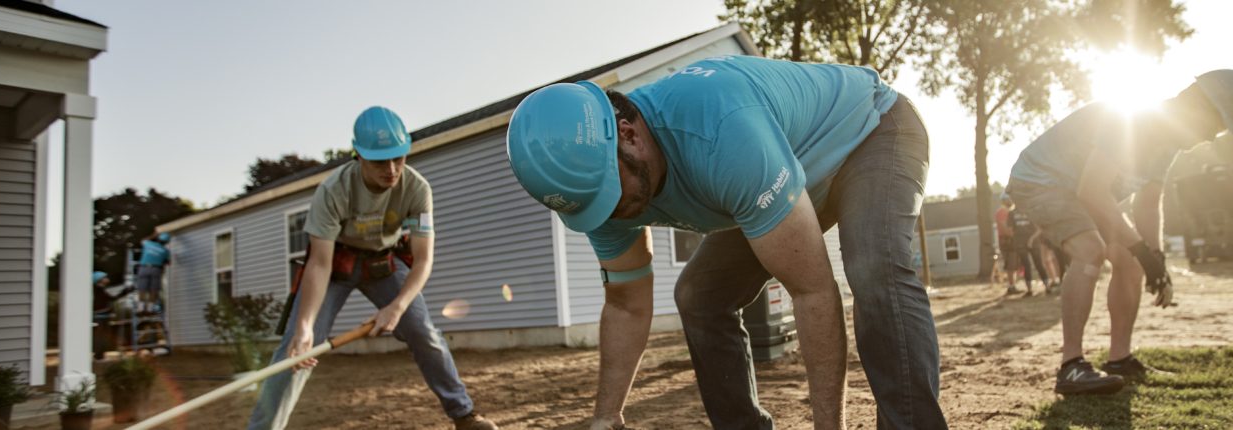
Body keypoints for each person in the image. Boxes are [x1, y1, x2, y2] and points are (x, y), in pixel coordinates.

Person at [507, 55, 946, 428]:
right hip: (784, 174)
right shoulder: (599, 190)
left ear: (628, 134)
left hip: (871, 131)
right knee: (699, 295)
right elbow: (626, 304)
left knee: (874, 267)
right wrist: (606, 418)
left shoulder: (719, 133)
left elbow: (811, 292)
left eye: (609, 192)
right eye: (591, 206)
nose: (609, 214)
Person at [1006, 69, 1233, 395]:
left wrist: (1156, 259)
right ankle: (1070, 367)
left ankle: (1119, 358)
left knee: (1131, 261)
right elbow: (1093, 191)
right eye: (1216, 125)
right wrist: (1142, 249)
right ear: (1196, 104)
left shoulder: (1168, 145)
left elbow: (1149, 204)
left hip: (1077, 191)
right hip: (1040, 182)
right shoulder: (1134, 122)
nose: (1212, 137)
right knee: (1090, 250)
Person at [247, 107, 497, 430]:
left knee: (423, 331)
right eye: (380, 161)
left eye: (399, 157)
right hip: (336, 265)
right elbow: (319, 264)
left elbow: (423, 261)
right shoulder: (333, 191)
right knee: (295, 349)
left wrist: (396, 308)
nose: (392, 170)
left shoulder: (417, 189)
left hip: (383, 264)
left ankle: (464, 415)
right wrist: (306, 325)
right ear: (358, 155)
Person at [1010, 206, 1052, 295]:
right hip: (1020, 243)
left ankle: (1047, 287)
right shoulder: (1012, 213)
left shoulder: (1031, 211)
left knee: (1039, 264)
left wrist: (1031, 239)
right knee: (1026, 265)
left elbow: (1039, 229)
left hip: (1034, 242)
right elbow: (1011, 229)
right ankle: (1029, 290)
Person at [134, 232, 171, 313]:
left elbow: (142, 240)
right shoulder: (166, 251)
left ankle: (141, 307)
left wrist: (153, 235)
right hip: (156, 270)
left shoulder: (148, 244)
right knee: (154, 289)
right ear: (167, 242)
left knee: (142, 288)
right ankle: (150, 308)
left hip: (143, 268)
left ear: (158, 239)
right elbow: (168, 262)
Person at [997, 194, 1022, 294]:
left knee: (1014, 263)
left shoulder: (1008, 212)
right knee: (1010, 264)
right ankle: (1011, 286)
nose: (1012, 201)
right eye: (1010, 199)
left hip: (1010, 240)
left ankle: (1013, 285)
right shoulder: (1002, 212)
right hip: (1007, 241)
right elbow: (1004, 228)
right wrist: (1016, 235)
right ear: (1005, 200)